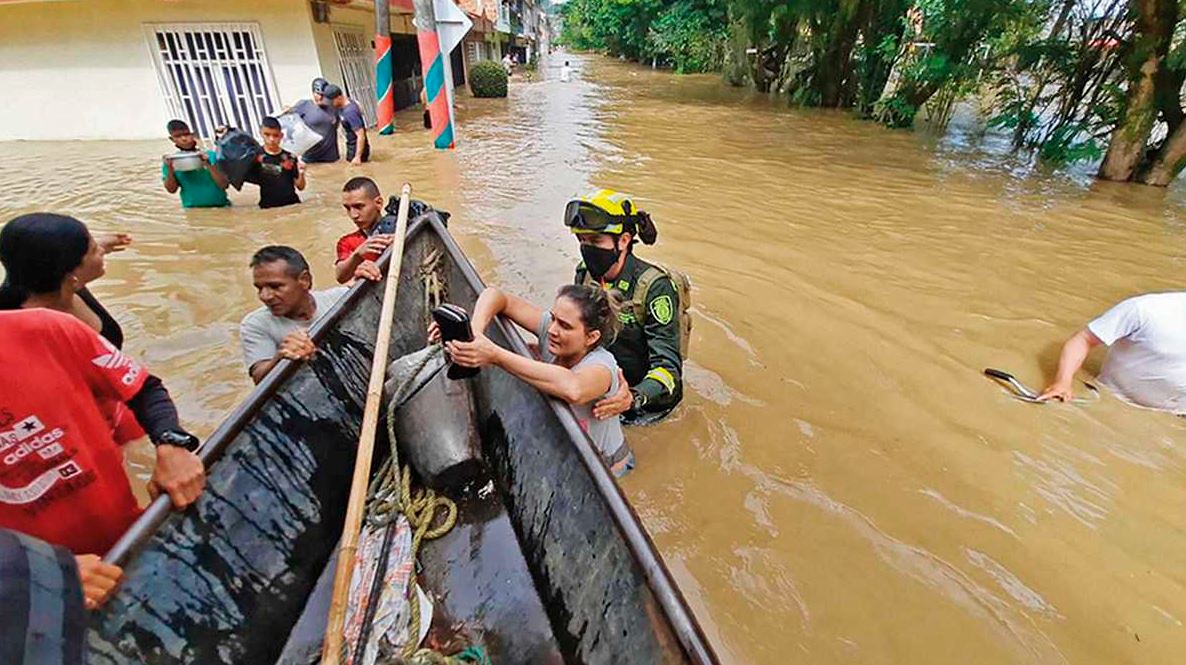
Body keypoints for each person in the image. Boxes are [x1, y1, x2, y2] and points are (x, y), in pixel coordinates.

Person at [0, 213, 193, 447]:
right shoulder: (16, 329)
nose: (99, 252)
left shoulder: (58, 284)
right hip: (72, 428)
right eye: (92, 250)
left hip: (116, 400)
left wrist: (101, 244)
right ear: (70, 275)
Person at [442, 285, 634, 476]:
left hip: (610, 470)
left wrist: (495, 355)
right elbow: (496, 296)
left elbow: (573, 389)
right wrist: (475, 334)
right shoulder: (551, 333)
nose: (552, 329)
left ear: (591, 337)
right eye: (553, 318)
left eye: (565, 326)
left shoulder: (602, 366)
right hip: (570, 455)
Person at [565, 190, 687, 425]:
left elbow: (669, 369)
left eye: (596, 241)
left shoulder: (655, 288)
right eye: (582, 241)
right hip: (604, 390)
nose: (587, 248)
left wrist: (634, 398)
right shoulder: (585, 274)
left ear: (624, 240)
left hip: (646, 406)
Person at [1038, 292, 1186, 413]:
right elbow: (1083, 340)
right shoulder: (1143, 310)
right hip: (1111, 402)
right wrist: (1062, 382)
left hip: (1175, 416)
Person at [240, 246, 348, 384]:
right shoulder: (255, 324)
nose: (265, 296)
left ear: (304, 280)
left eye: (275, 286)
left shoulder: (340, 299)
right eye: (259, 288)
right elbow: (259, 378)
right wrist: (280, 358)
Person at [334, 177, 393, 284]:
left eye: (359, 206)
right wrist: (357, 255)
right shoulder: (348, 242)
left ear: (378, 203)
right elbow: (340, 277)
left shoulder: (401, 227)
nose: (353, 215)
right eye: (348, 208)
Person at [161, 119, 229, 208]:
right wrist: (170, 169)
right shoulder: (172, 161)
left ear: (192, 135)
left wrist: (208, 164)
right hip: (193, 211)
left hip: (221, 208)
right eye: (178, 136)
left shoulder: (211, 156)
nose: (183, 139)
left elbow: (224, 185)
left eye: (186, 134)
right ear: (172, 139)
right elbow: (171, 190)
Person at [245, 116, 306, 209]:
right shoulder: (255, 156)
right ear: (261, 133)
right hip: (268, 207)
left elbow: (300, 187)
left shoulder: (290, 157)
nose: (272, 139)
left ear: (281, 136)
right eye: (267, 134)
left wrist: (301, 173)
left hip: (292, 206)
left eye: (275, 135)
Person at [290, 78, 340, 163]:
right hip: (310, 157)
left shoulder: (333, 106)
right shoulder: (304, 105)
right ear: (313, 93)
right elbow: (288, 120)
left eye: (323, 95)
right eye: (318, 94)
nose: (320, 97)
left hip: (331, 158)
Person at [327, 85, 370, 165]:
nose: (330, 104)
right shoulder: (341, 106)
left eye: (331, 101)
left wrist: (358, 156)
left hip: (357, 148)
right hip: (351, 145)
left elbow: (361, 135)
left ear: (339, 97)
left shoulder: (350, 112)